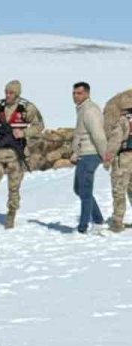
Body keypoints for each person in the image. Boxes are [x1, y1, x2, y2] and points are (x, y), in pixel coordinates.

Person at [0, 81, 45, 229]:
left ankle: (11, 214)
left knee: (14, 187)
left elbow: (39, 126)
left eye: (11, 93)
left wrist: (23, 133)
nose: (8, 95)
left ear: (18, 94)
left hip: (15, 155)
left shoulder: (27, 108)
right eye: (6, 92)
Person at [71, 82, 108, 233]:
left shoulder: (90, 110)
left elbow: (98, 135)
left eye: (79, 93)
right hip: (84, 155)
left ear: (87, 93)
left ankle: (83, 228)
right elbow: (81, 134)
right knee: (78, 189)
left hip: (91, 154)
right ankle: (98, 219)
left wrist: (105, 156)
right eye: (74, 93)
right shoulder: (82, 109)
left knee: (85, 190)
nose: (75, 96)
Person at [105, 107, 132, 233]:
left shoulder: (124, 120)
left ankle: (117, 222)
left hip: (124, 158)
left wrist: (108, 159)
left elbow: (116, 140)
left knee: (119, 190)